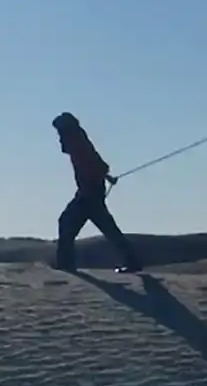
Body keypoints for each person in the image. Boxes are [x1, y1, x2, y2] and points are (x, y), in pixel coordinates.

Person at [52, 112, 142, 274]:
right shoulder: (78, 140)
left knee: (68, 223)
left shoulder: (76, 140)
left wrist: (100, 176)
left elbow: (93, 162)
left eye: (59, 132)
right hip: (90, 192)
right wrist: (105, 176)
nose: (59, 138)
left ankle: (65, 265)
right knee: (106, 228)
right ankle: (132, 261)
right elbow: (96, 161)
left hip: (88, 193)